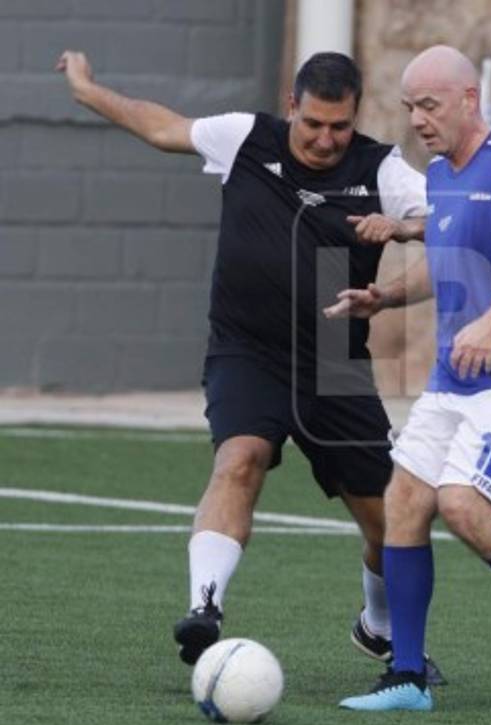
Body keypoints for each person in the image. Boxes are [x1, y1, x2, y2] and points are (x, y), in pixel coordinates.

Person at [56, 50, 444, 682]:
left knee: (387, 520)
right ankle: (204, 608)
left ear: (356, 117)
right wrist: (87, 89)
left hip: (333, 359)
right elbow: (162, 129)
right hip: (247, 348)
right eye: (313, 123)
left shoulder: (382, 169)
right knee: (239, 460)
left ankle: (379, 628)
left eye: (339, 127)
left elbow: (452, 224)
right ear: (292, 106)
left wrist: (405, 229)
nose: (325, 139)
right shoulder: (246, 138)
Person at [330, 45, 491, 713]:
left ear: (469, 100)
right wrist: (384, 297)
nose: (418, 119)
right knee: (406, 501)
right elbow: (450, 258)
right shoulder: (443, 174)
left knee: (463, 503)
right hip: (457, 376)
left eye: (430, 105)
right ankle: (407, 677)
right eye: (409, 107)